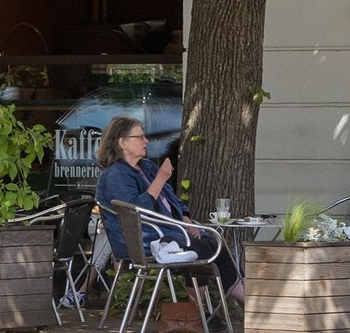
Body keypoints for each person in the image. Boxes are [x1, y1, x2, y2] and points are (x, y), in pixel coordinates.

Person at [94, 114, 244, 305]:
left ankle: (243, 304)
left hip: (169, 233)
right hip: (144, 241)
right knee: (202, 248)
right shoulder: (116, 175)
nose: (146, 141)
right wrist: (160, 179)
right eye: (140, 137)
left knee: (215, 243)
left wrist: (186, 221)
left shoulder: (146, 166)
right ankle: (200, 310)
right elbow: (135, 212)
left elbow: (173, 199)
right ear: (122, 142)